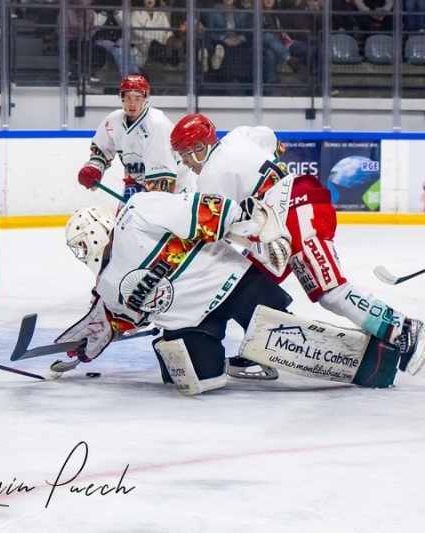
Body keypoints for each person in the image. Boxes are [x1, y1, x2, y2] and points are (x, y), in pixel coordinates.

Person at [169, 113, 425, 377]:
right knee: (245, 286)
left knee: (330, 292)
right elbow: (271, 140)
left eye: (186, 155)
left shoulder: (209, 178)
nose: (185, 163)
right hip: (283, 216)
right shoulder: (240, 135)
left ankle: (403, 330)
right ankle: (265, 353)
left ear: (200, 147)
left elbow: (219, 232)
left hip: (296, 210)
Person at [59, 193, 295, 395]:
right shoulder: (107, 287)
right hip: (191, 322)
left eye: (81, 244)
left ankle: (286, 333)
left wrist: (256, 222)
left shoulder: (136, 214)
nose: (82, 253)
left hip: (232, 283)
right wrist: (86, 342)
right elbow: (118, 320)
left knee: (276, 328)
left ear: (94, 230)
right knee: (201, 378)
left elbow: (205, 209)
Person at [75, 74, 191, 203]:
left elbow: (163, 178)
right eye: (128, 97)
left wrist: (153, 204)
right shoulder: (112, 121)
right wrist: (94, 168)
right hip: (137, 181)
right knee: (123, 222)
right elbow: (102, 150)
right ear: (121, 98)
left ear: (145, 99)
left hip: (174, 184)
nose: (132, 103)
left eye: (137, 98)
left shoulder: (157, 124)